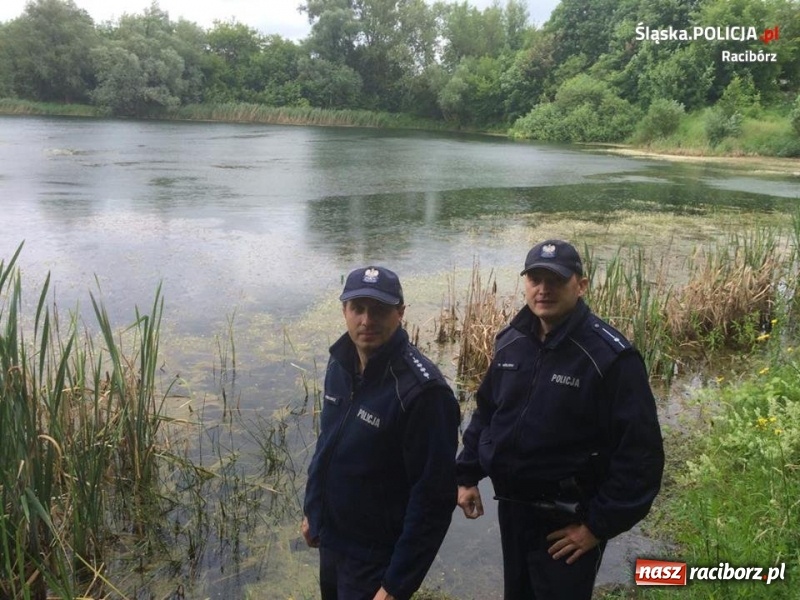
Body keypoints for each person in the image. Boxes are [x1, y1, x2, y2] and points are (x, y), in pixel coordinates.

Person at [456, 239, 665, 600]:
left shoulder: (610, 358)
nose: (543, 289)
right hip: (514, 509)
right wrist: (467, 475)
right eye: (535, 279)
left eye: (555, 280)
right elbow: (488, 411)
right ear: (525, 284)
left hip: (569, 520)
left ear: (580, 285)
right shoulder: (510, 342)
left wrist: (596, 527)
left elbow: (641, 456)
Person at [302, 266, 461, 600]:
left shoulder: (423, 393)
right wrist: (313, 510)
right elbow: (326, 444)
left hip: (375, 557)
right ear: (344, 310)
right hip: (332, 542)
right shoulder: (340, 364)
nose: (366, 320)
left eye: (379, 310)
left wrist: (396, 584)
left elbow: (432, 499)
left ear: (400, 312)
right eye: (357, 309)